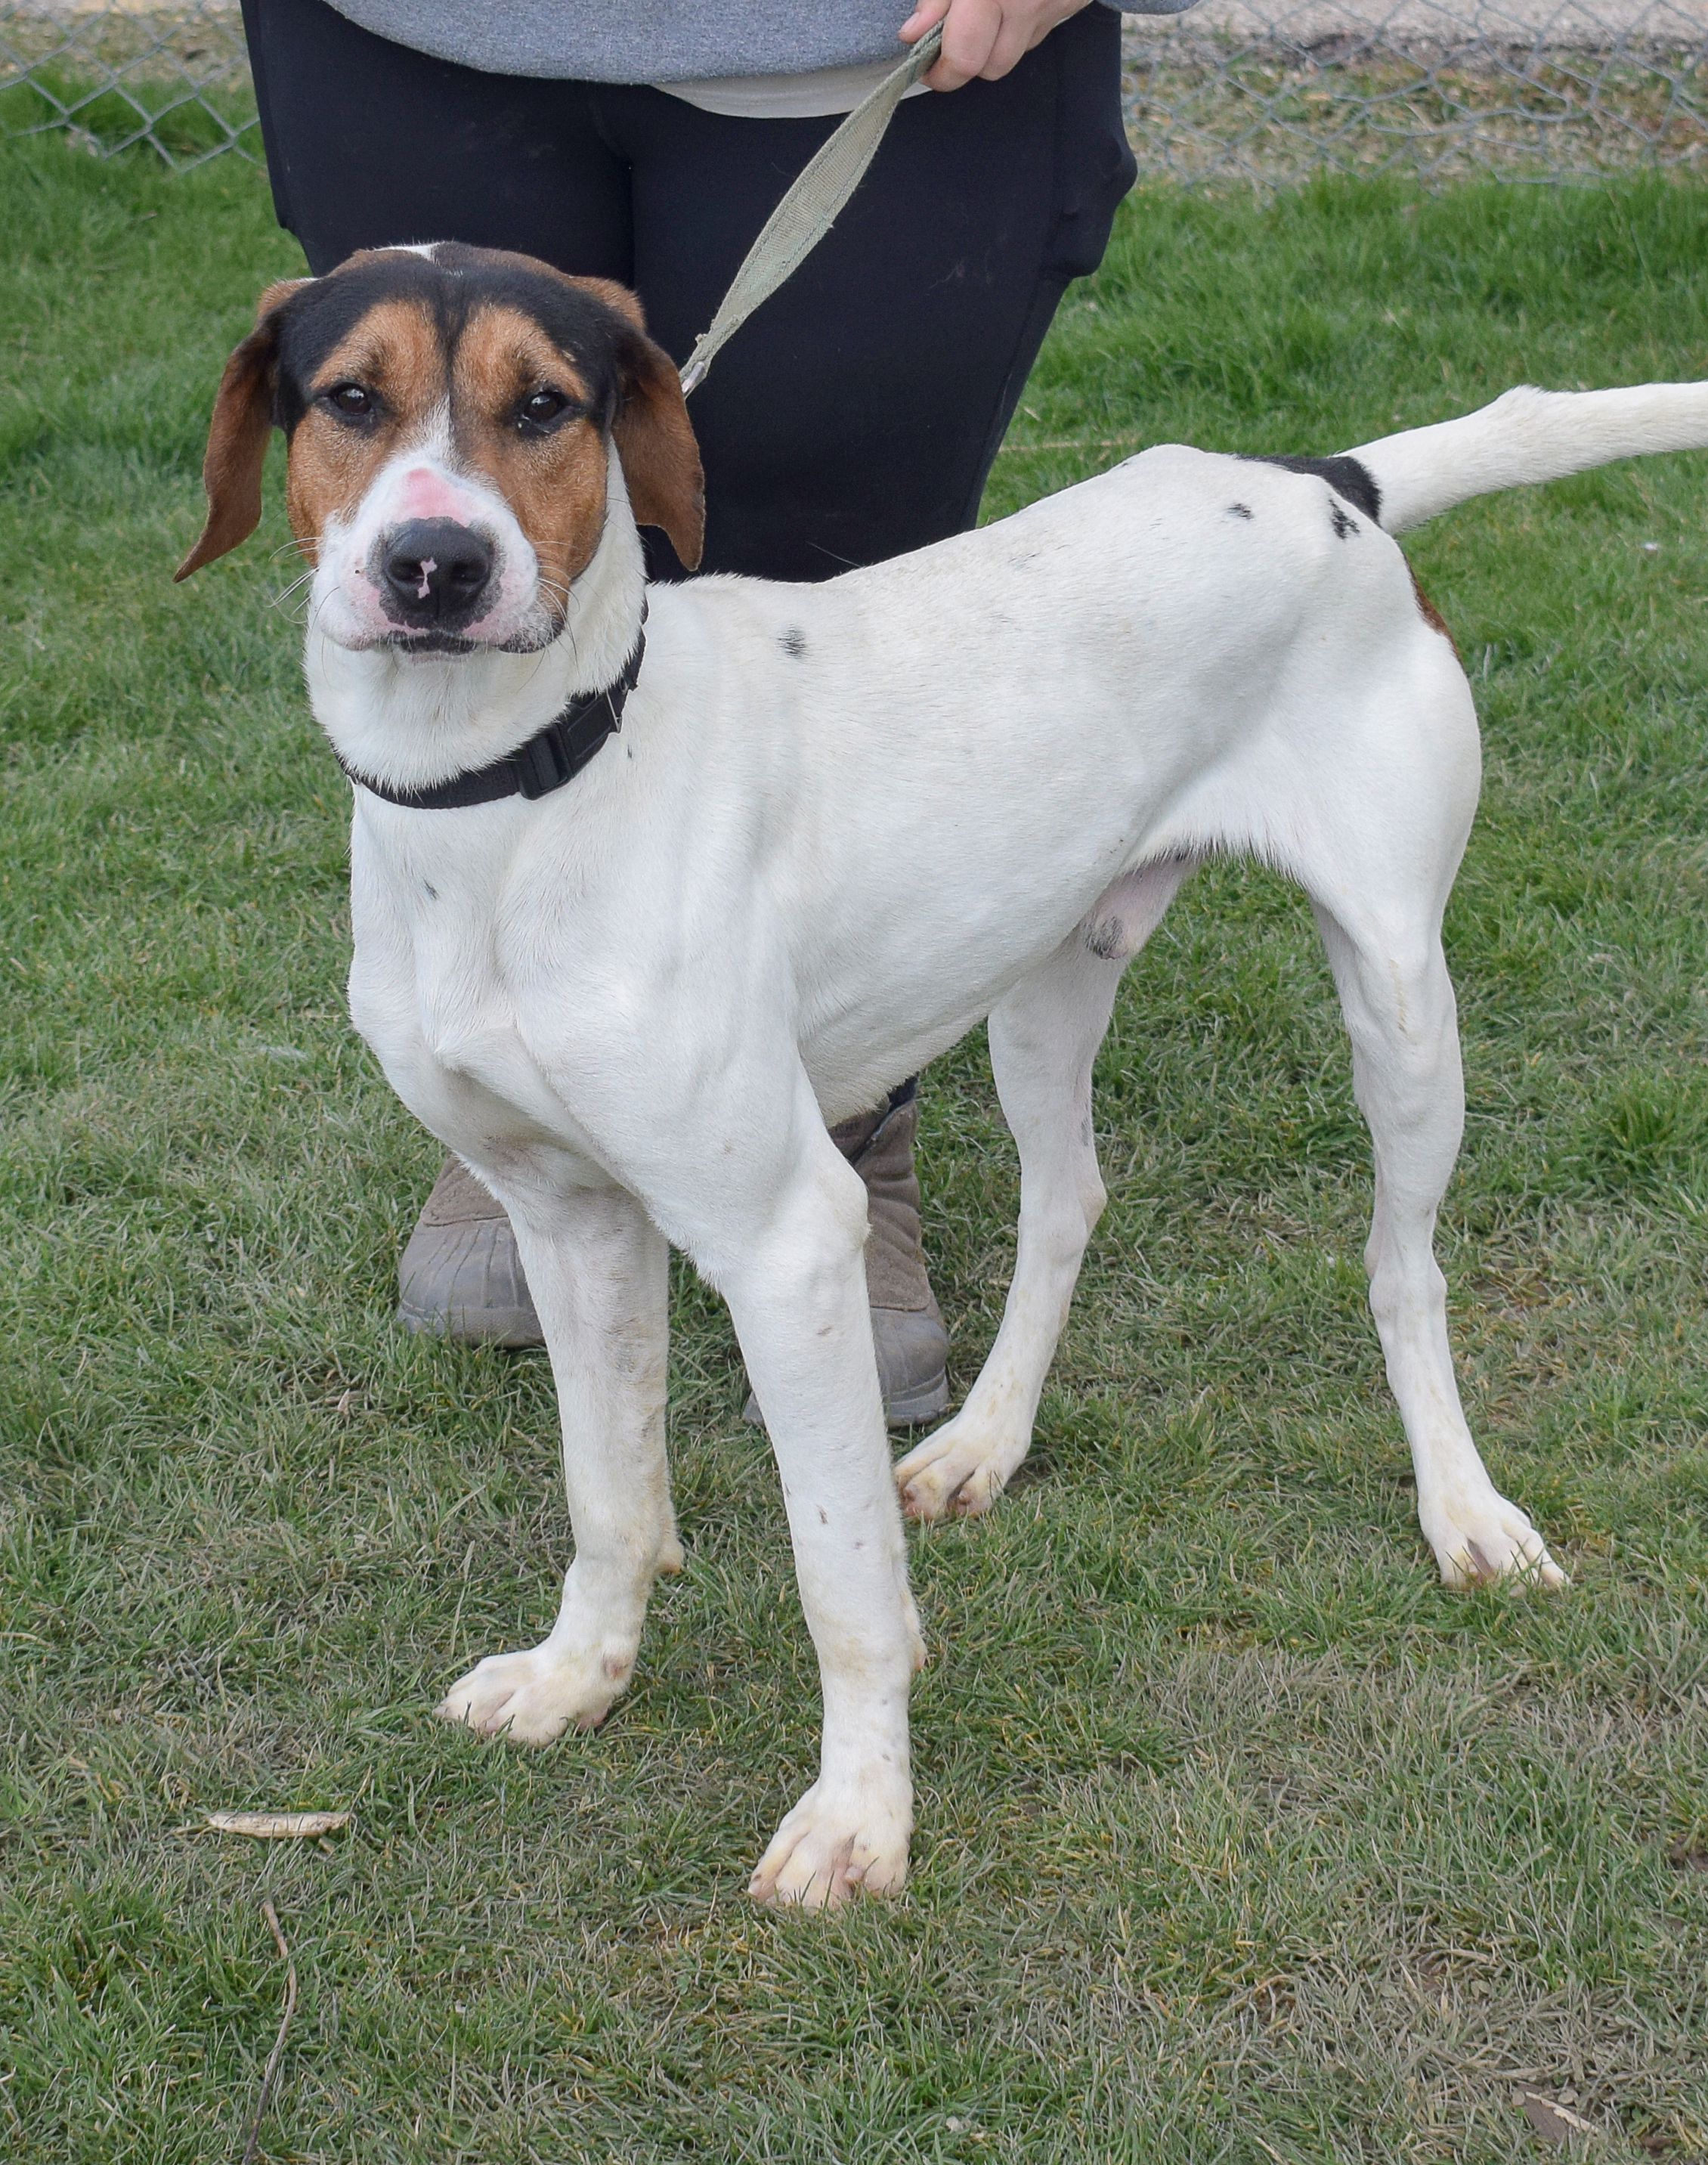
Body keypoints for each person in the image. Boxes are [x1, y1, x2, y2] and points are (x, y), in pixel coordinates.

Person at [237, 0, 1196, 1423]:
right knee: (453, 533)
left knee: (830, 591)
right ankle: (527, 1105)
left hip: (869, 37)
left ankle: (839, 1109)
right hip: (410, 37)